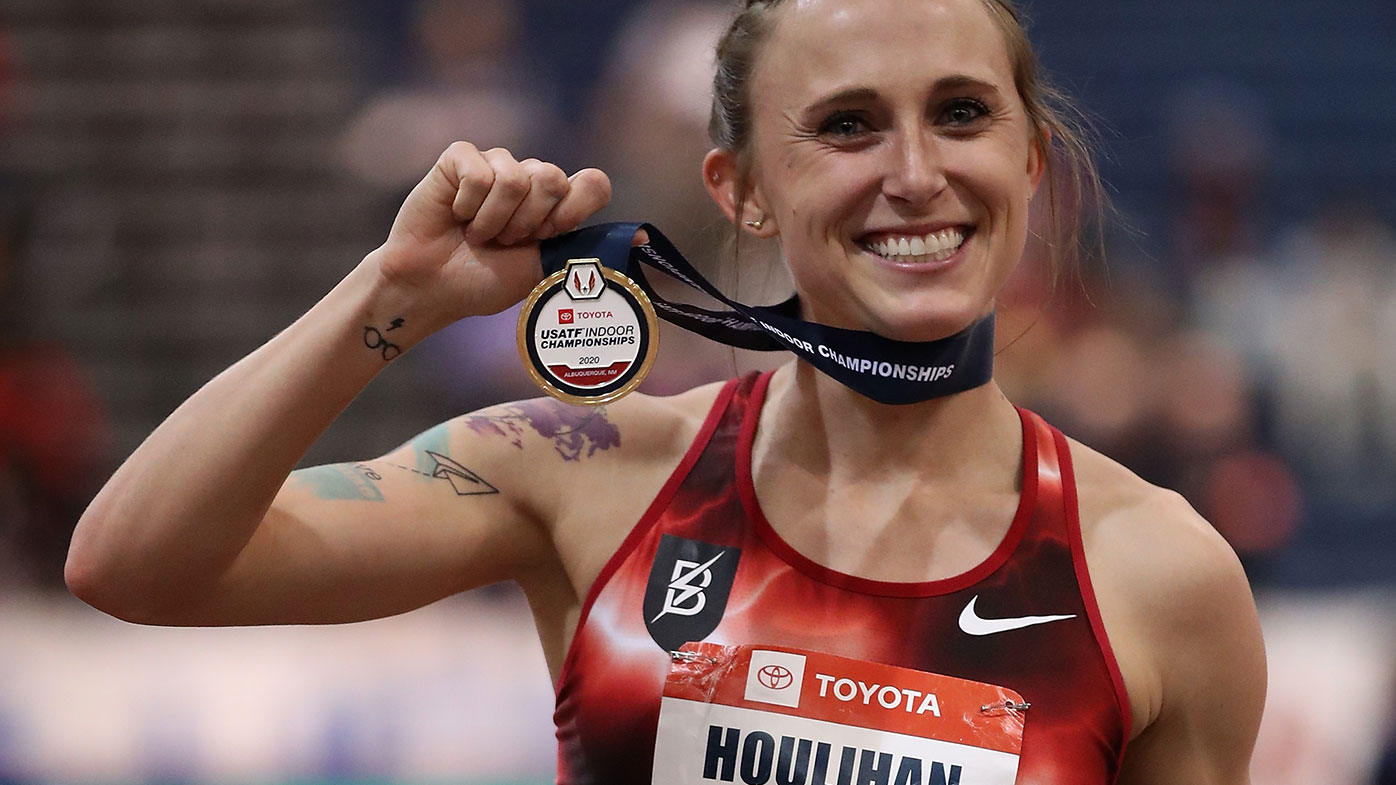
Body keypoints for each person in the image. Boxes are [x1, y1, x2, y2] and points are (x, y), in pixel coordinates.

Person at [65, 0, 1266, 782]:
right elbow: (134, 561)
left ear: (1027, 159)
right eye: (847, 126)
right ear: (739, 190)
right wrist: (391, 296)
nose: (915, 173)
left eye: (959, 114)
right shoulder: (589, 466)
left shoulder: (1156, 575)